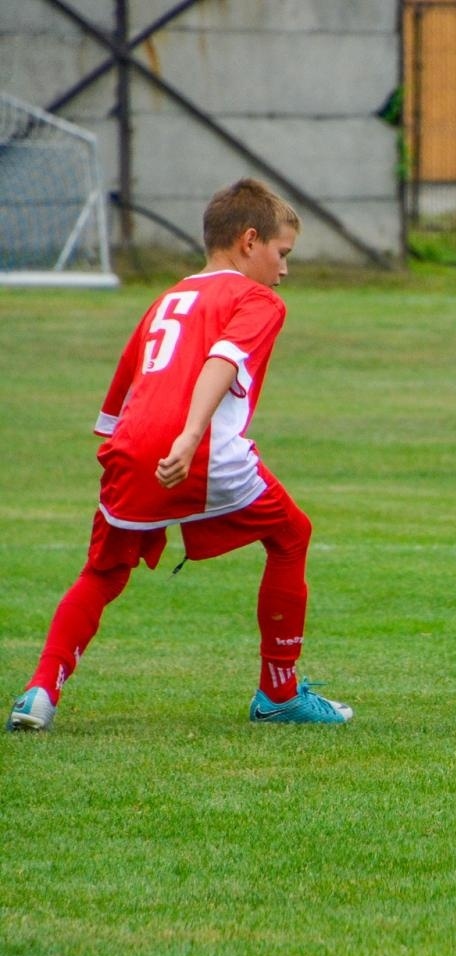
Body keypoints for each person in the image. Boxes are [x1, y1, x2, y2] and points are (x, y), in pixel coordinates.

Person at [8, 178, 352, 731]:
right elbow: (222, 361)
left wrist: (132, 469)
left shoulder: (167, 298)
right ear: (248, 241)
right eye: (281, 253)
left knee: (102, 571)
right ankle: (279, 695)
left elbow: (121, 399)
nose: (284, 270)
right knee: (291, 534)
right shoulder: (256, 298)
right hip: (198, 451)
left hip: (130, 452)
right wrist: (191, 436)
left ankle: (39, 692)